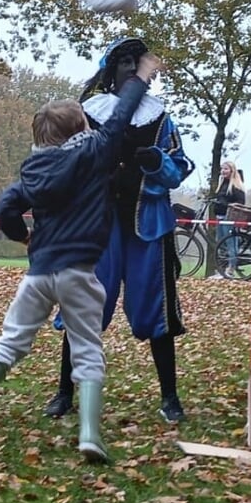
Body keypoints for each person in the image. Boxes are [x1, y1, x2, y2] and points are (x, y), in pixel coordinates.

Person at [0, 53, 162, 463]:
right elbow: (119, 119)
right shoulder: (96, 152)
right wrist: (140, 77)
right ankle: (89, 434)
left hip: (39, 273)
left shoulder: (34, 167)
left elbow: (8, 206)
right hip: (79, 273)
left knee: (10, 343)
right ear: (81, 127)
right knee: (87, 351)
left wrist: (24, 236)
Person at [43, 38, 195, 424]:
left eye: (136, 61)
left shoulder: (161, 119)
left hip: (148, 229)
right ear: (110, 70)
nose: (131, 68)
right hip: (99, 228)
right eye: (123, 61)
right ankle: (64, 392)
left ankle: (170, 397)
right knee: (83, 308)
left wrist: (157, 162)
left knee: (156, 311)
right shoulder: (89, 114)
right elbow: (69, 162)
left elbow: (180, 167)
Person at [212, 161, 247, 278]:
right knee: (220, 243)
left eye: (226, 169)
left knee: (230, 243)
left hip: (229, 217)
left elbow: (240, 202)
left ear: (232, 171)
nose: (223, 171)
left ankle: (231, 268)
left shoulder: (236, 186)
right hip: (220, 217)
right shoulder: (222, 184)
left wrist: (227, 204)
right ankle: (221, 269)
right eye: (222, 169)